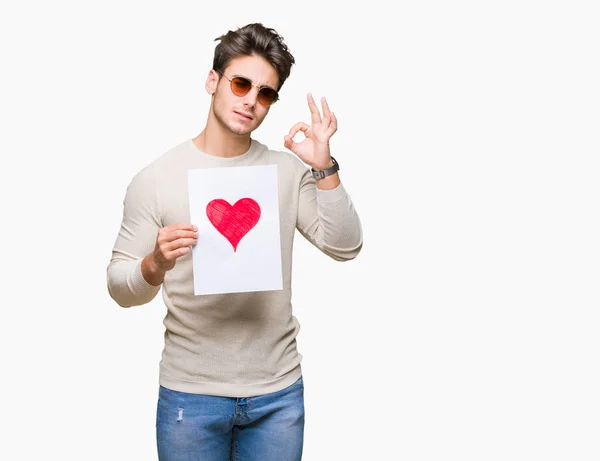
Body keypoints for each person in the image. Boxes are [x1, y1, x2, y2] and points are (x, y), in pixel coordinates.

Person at [106, 22, 363, 461]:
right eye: (241, 83)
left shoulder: (284, 171)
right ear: (213, 81)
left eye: (266, 93)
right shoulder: (157, 179)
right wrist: (154, 264)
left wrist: (324, 166)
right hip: (192, 395)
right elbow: (118, 286)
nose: (251, 100)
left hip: (277, 394)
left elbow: (345, 245)